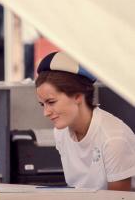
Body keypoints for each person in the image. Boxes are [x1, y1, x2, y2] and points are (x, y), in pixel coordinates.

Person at [35, 51, 135, 191]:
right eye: (42, 104)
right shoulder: (61, 132)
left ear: (77, 96)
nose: (46, 113)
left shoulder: (113, 139)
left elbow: (119, 198)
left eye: (51, 102)